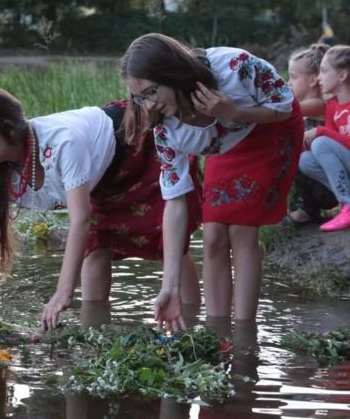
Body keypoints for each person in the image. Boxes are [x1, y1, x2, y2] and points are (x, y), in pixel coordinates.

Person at [0, 87, 203, 332]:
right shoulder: (0, 171)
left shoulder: (62, 144)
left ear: (10, 130)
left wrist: (61, 293)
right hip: (99, 177)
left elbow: (80, 220)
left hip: (134, 146)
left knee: (167, 241)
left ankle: (192, 326)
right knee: (97, 247)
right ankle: (95, 330)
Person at [120, 33, 303, 330]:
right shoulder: (165, 130)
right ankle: (217, 332)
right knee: (213, 234)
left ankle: (244, 335)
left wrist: (233, 111)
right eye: (139, 97)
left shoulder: (234, 67)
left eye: (151, 92)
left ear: (171, 73)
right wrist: (171, 286)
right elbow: (175, 202)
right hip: (227, 143)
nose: (148, 105)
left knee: (242, 230)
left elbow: (284, 104)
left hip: (270, 127)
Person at [284, 44, 338, 225]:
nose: (288, 83)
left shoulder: (316, 104)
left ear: (313, 80)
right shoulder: (308, 107)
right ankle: (300, 208)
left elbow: (284, 110)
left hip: (328, 184)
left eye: (293, 77)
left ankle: (307, 210)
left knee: (291, 152)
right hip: (321, 179)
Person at [298, 45, 350, 232]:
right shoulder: (332, 106)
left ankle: (348, 205)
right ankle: (346, 203)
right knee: (305, 160)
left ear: (342, 76)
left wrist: (321, 132)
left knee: (321, 142)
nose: (319, 77)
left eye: (324, 71)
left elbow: (326, 139)